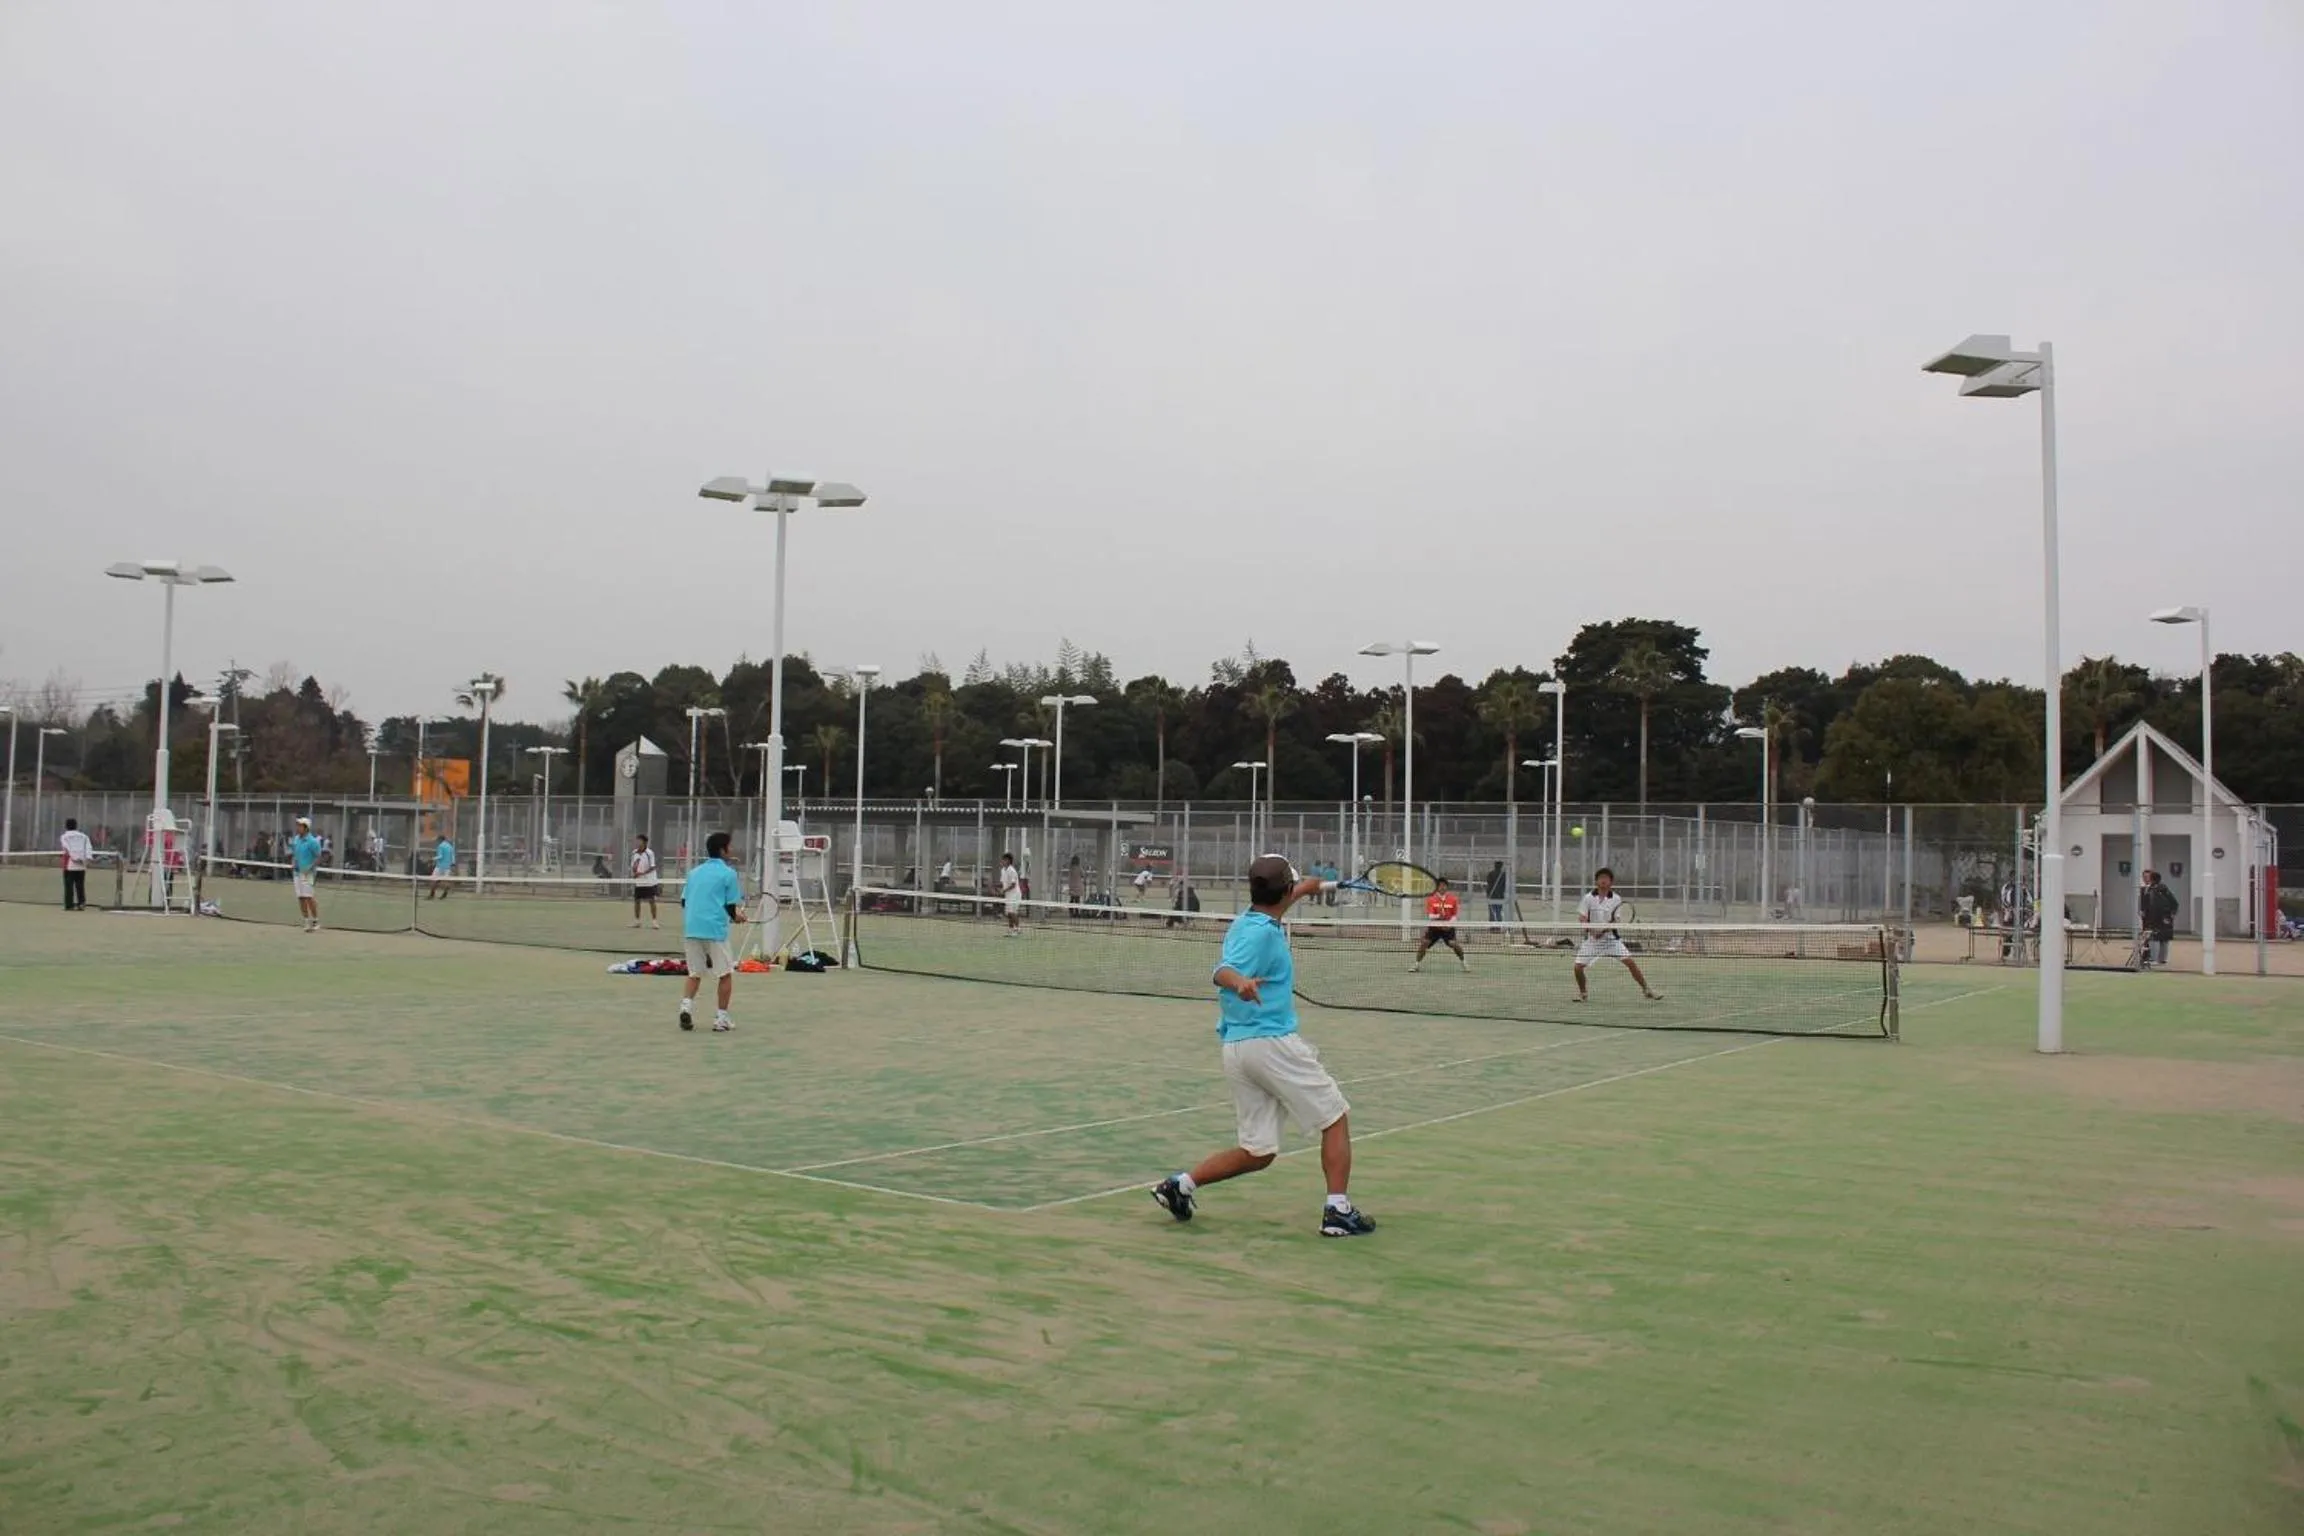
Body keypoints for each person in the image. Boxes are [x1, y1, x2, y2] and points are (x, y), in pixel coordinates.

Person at [1150, 854, 1375, 1238]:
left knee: (1259, 1152)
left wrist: (1331, 884)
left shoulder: (1251, 918)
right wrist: (1239, 983)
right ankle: (1338, 1210)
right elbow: (1221, 971)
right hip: (1271, 1044)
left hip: (1238, 1049)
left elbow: (1299, 890)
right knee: (1334, 1117)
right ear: (1284, 890)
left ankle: (1180, 1185)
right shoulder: (1261, 934)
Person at [677, 830, 748, 1033]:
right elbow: (730, 907)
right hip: (715, 930)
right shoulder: (729, 873)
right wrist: (738, 917)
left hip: (692, 928)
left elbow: (684, 901)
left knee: (694, 973)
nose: (731, 849)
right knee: (725, 974)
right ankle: (721, 1019)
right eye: (729, 846)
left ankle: (686, 1008)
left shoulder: (694, 873)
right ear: (722, 850)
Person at [1575, 867, 1661, 1003]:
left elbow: (1615, 920)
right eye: (1601, 878)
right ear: (1596, 881)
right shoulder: (1588, 898)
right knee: (1578, 968)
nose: (1603, 880)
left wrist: (1604, 930)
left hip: (1611, 940)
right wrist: (1592, 931)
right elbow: (1582, 917)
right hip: (1592, 940)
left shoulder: (1616, 899)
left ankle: (1647, 990)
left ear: (1611, 882)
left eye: (1606, 878)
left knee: (1631, 963)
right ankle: (1583, 993)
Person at [1410, 877, 1469, 972]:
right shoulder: (1431, 899)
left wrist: (1448, 925)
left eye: (1444, 885)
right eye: (1440, 885)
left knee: (1454, 944)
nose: (1442, 887)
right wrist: (1439, 916)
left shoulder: (1453, 899)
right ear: (1437, 887)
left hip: (1448, 928)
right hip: (1434, 928)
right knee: (1424, 943)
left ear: (1447, 887)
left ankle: (1464, 962)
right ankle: (1416, 964)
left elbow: (1454, 916)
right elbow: (1430, 916)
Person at [288, 816, 324, 933]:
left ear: (306, 828)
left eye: (300, 825)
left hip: (308, 874)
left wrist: (310, 867)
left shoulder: (313, 841)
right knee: (301, 897)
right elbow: (294, 854)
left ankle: (315, 921)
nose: (298, 827)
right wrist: (293, 863)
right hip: (297, 873)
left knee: (308, 897)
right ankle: (306, 921)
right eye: (297, 825)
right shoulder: (296, 839)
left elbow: (318, 857)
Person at [2139, 869, 2178, 968]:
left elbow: (2170, 903)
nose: (2146, 879)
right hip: (2153, 918)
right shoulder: (2147, 889)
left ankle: (2156, 959)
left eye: (2148, 877)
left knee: (2157, 938)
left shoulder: (2159, 889)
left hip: (2159, 918)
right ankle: (2157, 958)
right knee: (2157, 938)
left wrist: (2170, 914)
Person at [59, 817, 93, 910]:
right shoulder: (84, 836)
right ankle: (81, 903)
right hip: (81, 865)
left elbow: (67, 849)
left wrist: (75, 858)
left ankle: (69, 905)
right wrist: (86, 859)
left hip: (70, 865)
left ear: (66, 826)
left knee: (68, 886)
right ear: (76, 826)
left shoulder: (64, 837)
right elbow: (88, 848)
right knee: (80, 885)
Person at [630, 833, 662, 929]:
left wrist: (642, 873)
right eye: (637, 840)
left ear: (644, 842)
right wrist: (635, 873)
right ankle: (637, 921)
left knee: (651, 901)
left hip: (650, 881)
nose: (637, 842)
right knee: (637, 901)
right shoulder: (634, 853)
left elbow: (653, 867)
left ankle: (655, 922)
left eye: (639, 840)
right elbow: (633, 866)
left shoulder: (649, 853)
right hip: (639, 882)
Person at [998, 852, 1023, 934]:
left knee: (1012, 912)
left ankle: (1018, 928)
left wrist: (1003, 891)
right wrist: (993, 886)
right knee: (1008, 913)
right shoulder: (1003, 870)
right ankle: (1011, 929)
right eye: (1002, 859)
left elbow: (1013, 885)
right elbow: (1003, 883)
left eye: (1004, 860)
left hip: (1015, 894)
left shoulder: (1012, 871)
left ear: (1008, 860)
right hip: (1008, 894)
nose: (1002, 861)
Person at [428, 832, 456, 899]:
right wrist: (453, 864)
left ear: (440, 840)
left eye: (437, 840)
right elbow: (453, 856)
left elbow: (440, 856)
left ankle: (432, 894)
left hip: (440, 866)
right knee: (446, 880)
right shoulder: (450, 846)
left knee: (433, 879)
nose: (437, 841)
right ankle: (444, 894)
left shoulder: (440, 846)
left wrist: (432, 859)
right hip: (448, 867)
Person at [1484, 859, 1510, 924]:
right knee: (1498, 911)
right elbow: (1505, 885)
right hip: (1500, 895)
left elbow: (1488, 883)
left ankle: (1492, 926)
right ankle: (1498, 925)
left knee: (1492, 911)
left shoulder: (1491, 874)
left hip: (1491, 895)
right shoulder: (1504, 875)